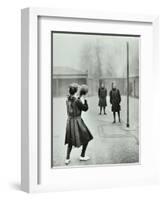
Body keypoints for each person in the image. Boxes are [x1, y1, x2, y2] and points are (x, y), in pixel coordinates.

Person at [65, 84, 93, 165]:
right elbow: (85, 108)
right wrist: (85, 99)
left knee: (70, 140)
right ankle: (82, 155)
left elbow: (74, 102)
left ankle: (67, 158)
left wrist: (79, 98)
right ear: (76, 91)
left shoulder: (67, 99)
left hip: (70, 121)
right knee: (87, 137)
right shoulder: (77, 101)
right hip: (77, 121)